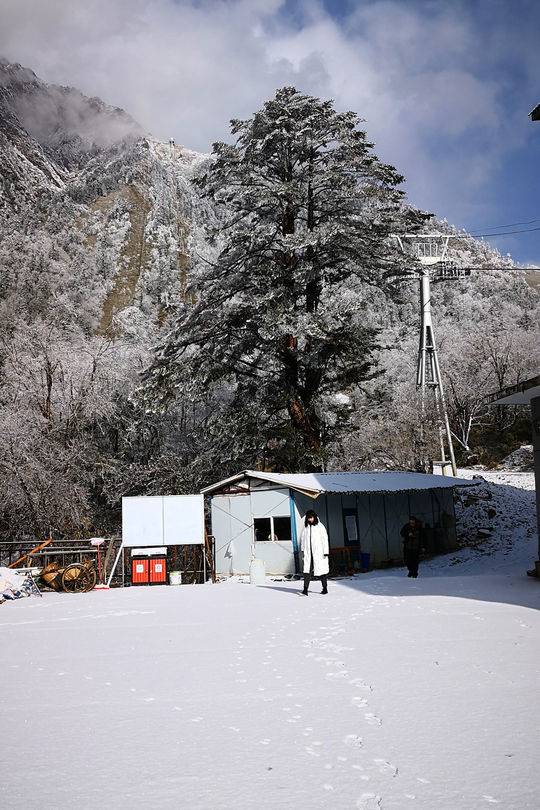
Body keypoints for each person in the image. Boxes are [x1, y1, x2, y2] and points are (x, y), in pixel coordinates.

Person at [300, 510, 329, 595]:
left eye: (311, 518)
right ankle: (305, 589)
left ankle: (325, 588)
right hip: (309, 554)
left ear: (314, 517)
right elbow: (303, 539)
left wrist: (326, 551)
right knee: (306, 571)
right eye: (308, 518)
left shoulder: (320, 527)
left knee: (321, 570)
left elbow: (325, 540)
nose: (310, 520)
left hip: (319, 554)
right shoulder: (306, 528)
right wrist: (303, 549)